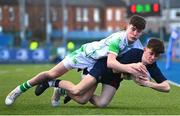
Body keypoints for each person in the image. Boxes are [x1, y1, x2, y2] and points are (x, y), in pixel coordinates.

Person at [5, 15, 147, 106]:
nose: (135, 34)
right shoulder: (118, 38)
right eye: (133, 29)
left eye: (139, 31)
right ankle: (18, 90)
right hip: (84, 54)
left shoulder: (138, 46)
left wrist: (141, 78)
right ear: (128, 26)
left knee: (83, 99)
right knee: (52, 73)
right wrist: (130, 68)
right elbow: (111, 63)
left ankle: (60, 89)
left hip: (95, 64)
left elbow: (138, 65)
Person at [36, 39, 170, 107]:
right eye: (151, 53)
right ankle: (53, 83)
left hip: (113, 79)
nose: (152, 57)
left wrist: (148, 84)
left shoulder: (152, 66)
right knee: (82, 98)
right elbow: (115, 69)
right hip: (102, 67)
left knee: (102, 104)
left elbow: (167, 87)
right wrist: (132, 72)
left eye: (156, 55)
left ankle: (64, 91)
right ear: (145, 49)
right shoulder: (135, 53)